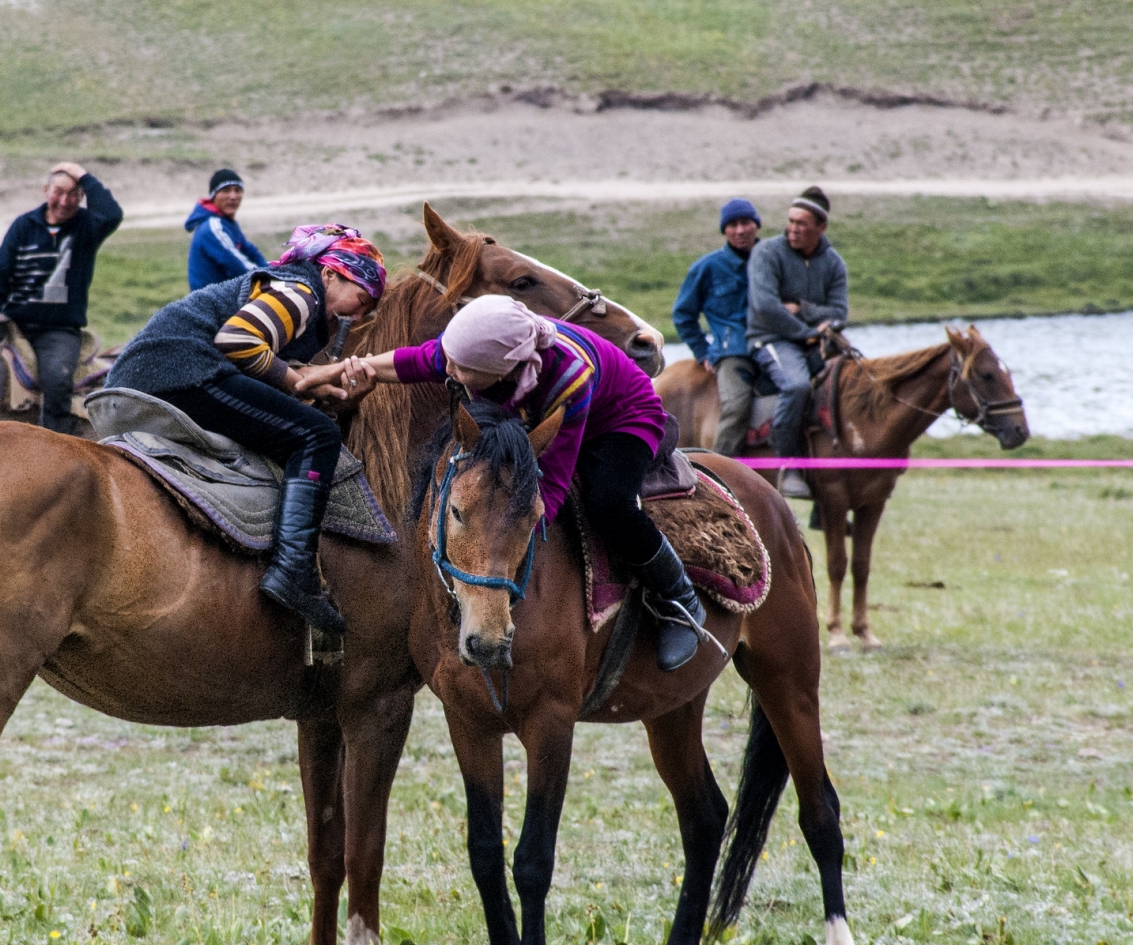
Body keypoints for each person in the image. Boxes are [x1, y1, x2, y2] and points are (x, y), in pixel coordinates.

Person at [308, 294, 710, 672]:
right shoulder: (475, 351)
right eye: (451, 359)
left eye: (461, 369)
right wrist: (338, 371)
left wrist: (512, 532)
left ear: (505, 368)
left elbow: (553, 475)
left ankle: (680, 597)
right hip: (539, 407)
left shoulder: (569, 378)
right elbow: (417, 361)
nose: (449, 372)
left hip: (621, 418)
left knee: (609, 503)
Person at [101, 224, 385, 634]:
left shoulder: (293, 291)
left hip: (151, 372)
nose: (358, 315)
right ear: (330, 274)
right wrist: (298, 381)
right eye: (360, 298)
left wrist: (312, 385)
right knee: (316, 435)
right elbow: (237, 341)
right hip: (182, 370)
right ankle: (294, 571)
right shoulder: (301, 292)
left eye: (368, 309)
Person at [0, 162, 124, 433]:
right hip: (13, 325)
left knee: (56, 382)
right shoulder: (24, 226)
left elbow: (112, 214)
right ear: (46, 191)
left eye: (73, 193)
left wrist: (83, 175)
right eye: (58, 192)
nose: (65, 201)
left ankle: (57, 444)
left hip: (57, 331)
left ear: (81, 196)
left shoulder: (86, 227)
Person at [746, 185, 848, 498]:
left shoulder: (834, 264)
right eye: (790, 221)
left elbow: (839, 312)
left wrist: (802, 308)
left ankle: (828, 487)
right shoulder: (766, 253)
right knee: (797, 386)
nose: (792, 229)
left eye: (801, 224)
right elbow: (766, 309)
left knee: (851, 383)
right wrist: (808, 331)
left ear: (821, 227)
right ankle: (789, 465)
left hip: (817, 343)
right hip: (771, 339)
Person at [671, 199, 761, 456]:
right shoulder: (707, 268)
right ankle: (722, 470)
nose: (740, 230)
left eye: (746, 222)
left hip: (777, 345)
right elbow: (683, 314)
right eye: (732, 225)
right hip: (734, 353)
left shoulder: (773, 257)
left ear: (756, 225)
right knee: (735, 406)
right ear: (724, 230)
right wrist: (702, 351)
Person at [186, 169, 268, 290]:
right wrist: (269, 277)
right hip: (210, 303)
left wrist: (269, 269)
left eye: (237, 190)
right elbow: (236, 264)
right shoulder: (212, 227)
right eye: (226, 191)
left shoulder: (228, 223)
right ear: (214, 196)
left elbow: (250, 250)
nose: (233, 196)